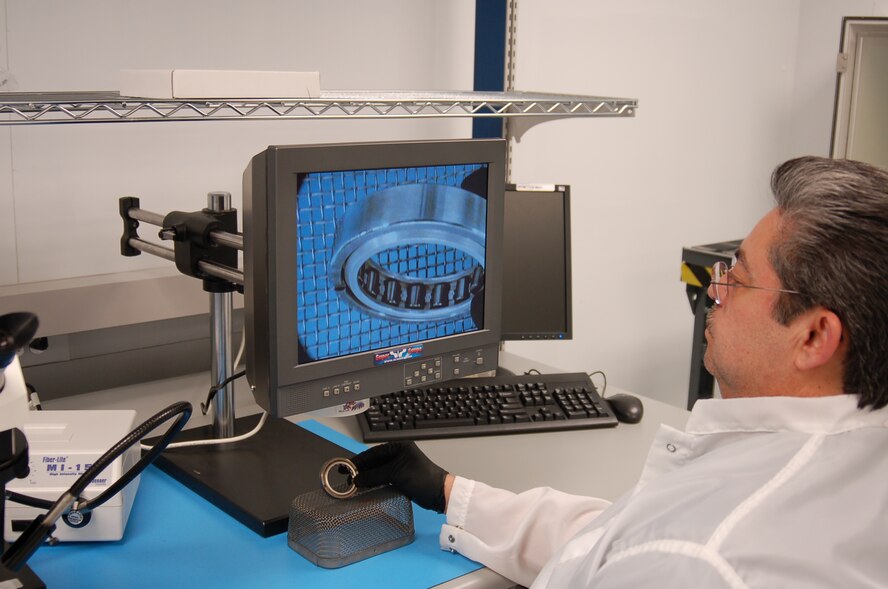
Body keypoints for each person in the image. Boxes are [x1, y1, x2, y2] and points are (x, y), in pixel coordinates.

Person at [350, 156, 888, 588]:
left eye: (739, 277)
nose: (713, 291)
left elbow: (656, 553)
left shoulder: (703, 560)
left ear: (815, 337)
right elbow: (613, 539)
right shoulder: (854, 458)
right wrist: (450, 492)